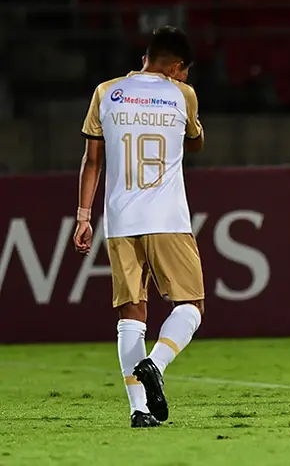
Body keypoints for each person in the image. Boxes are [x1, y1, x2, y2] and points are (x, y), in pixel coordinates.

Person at [73, 26, 206, 427]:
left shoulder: (106, 92)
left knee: (131, 315)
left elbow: (92, 160)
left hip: (120, 221)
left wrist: (83, 216)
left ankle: (139, 410)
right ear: (177, 67)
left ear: (146, 57)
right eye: (185, 71)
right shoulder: (182, 94)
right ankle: (156, 364)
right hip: (167, 218)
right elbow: (194, 142)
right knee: (191, 305)